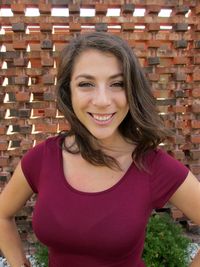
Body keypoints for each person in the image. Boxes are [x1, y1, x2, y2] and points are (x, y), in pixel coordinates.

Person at [0, 31, 199, 267]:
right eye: (86, 84)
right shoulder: (43, 158)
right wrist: (17, 262)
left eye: (117, 83)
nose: (103, 100)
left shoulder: (152, 165)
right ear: (68, 92)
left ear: (132, 91)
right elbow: (2, 214)